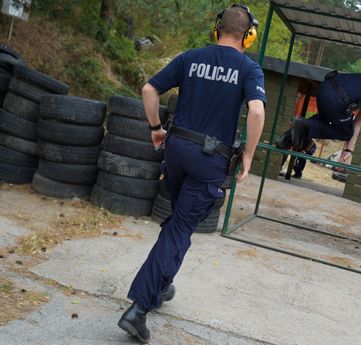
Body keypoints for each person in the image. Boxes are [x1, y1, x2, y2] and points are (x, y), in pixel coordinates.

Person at [117, 4, 266, 344]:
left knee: (177, 219)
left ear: (218, 29)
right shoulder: (249, 68)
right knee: (182, 228)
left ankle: (161, 282)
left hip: (177, 149)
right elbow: (256, 111)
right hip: (208, 159)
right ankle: (138, 309)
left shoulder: (190, 57)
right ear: (248, 35)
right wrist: (249, 157)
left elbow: (149, 89)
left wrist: (156, 127)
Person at [276, 71, 361, 181]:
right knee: (344, 132)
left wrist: (348, 150)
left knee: (326, 122)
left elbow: (356, 124)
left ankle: (285, 139)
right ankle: (304, 125)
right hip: (337, 99)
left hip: (324, 89)